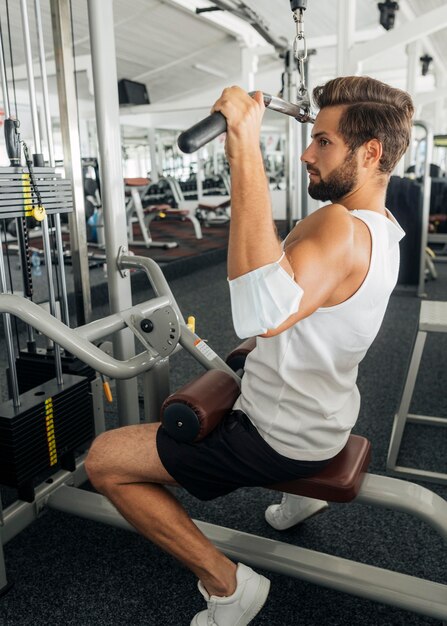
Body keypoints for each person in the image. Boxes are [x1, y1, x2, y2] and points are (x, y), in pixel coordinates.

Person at [85, 75, 414, 625]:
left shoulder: (340, 226)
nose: (308, 153)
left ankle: (228, 585)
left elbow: (259, 311)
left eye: (325, 142)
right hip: (327, 417)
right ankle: (301, 498)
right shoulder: (385, 231)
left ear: (372, 151)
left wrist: (243, 142)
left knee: (104, 462)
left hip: (278, 435)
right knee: (242, 353)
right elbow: (290, 312)